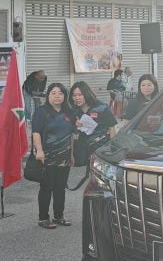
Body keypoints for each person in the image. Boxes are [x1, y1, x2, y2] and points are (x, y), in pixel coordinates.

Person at [32, 83, 75, 229]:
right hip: (47, 155)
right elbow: (36, 132)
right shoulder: (42, 111)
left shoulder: (69, 112)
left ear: (65, 96)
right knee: (46, 187)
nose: (57, 96)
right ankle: (43, 218)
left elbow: (72, 135)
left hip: (65, 156)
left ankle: (59, 216)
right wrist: (39, 150)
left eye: (60, 93)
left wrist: (72, 154)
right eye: (53, 93)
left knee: (60, 188)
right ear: (48, 95)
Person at [70, 81, 118, 171]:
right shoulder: (74, 111)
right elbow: (72, 133)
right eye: (74, 95)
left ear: (86, 94)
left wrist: (113, 149)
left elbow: (112, 128)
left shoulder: (102, 107)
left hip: (101, 147)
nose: (77, 98)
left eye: (80, 95)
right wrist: (75, 125)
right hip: (84, 148)